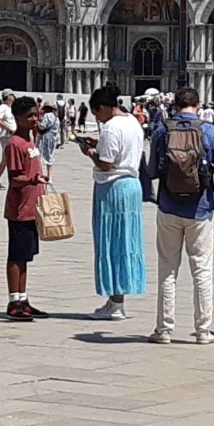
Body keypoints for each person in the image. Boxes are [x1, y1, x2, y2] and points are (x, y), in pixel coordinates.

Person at [145, 87, 214, 345]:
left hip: (168, 206)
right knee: (202, 269)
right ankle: (203, 331)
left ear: (174, 105)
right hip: (200, 209)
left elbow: (152, 171)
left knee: (167, 270)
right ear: (199, 105)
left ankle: (164, 330)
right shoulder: (209, 131)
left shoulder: (162, 130)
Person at [79, 84, 147, 320]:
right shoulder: (132, 121)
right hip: (132, 186)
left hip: (113, 188)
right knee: (126, 242)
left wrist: (90, 152)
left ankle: (116, 304)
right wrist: (98, 143)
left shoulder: (111, 127)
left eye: (96, 113)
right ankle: (117, 299)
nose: (97, 119)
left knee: (111, 242)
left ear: (103, 108)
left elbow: (106, 163)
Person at [1, 96, 49, 321]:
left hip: (33, 208)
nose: (35, 119)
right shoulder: (15, 143)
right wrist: (32, 180)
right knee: (16, 256)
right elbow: (14, 179)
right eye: (29, 116)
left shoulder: (30, 141)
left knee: (26, 256)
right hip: (20, 209)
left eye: (36, 115)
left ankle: (23, 298)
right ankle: (13, 301)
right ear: (18, 118)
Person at [0, 90, 16, 189]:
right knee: (7, 158)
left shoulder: (11, 108)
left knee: (6, 159)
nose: (13, 96)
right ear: (7, 97)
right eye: (11, 95)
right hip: (6, 136)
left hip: (12, 135)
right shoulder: (3, 107)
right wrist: (8, 129)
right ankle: (10, 181)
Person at [37, 101, 59, 180]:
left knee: (40, 154)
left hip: (45, 137)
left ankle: (40, 173)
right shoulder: (56, 117)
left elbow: (42, 126)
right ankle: (50, 176)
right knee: (50, 155)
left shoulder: (47, 115)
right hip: (53, 138)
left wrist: (38, 123)